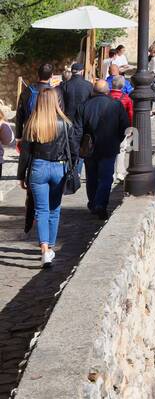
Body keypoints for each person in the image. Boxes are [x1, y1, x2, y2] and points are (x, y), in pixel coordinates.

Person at [18, 88, 76, 268]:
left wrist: (22, 175)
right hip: (59, 168)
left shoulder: (32, 123)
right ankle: (50, 248)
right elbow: (73, 151)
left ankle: (44, 250)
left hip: (38, 167)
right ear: (56, 101)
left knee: (41, 210)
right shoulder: (66, 124)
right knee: (54, 209)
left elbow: (25, 153)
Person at [81, 80, 128, 220]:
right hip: (109, 147)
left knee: (91, 177)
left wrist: (81, 144)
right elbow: (124, 126)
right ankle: (100, 204)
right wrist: (117, 140)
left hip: (89, 147)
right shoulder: (116, 105)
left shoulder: (84, 106)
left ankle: (93, 202)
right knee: (106, 177)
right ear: (107, 91)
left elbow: (78, 128)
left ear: (94, 91)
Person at [60, 61, 93, 145]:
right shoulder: (88, 85)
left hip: (68, 118)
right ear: (82, 71)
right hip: (83, 119)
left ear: (72, 72)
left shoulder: (65, 85)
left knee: (68, 143)